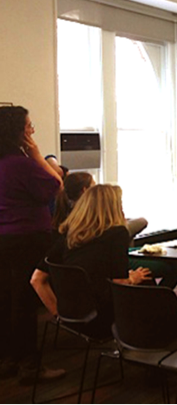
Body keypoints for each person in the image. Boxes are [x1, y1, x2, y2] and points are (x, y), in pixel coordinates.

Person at [51, 173, 177, 315]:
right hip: (108, 289)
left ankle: (166, 302)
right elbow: (117, 274)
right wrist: (130, 278)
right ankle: (162, 302)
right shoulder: (111, 232)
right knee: (175, 264)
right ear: (85, 192)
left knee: (165, 256)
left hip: (86, 296)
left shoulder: (72, 224)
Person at [31, 184, 153, 341]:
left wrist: (58, 315)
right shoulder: (117, 234)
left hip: (74, 316)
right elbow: (120, 282)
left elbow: (36, 280)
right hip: (102, 319)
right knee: (146, 279)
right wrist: (132, 278)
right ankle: (151, 341)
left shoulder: (69, 235)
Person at [0, 106, 64, 383]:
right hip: (27, 237)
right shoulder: (22, 164)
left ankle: (7, 361)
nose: (32, 131)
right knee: (24, 303)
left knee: (5, 300)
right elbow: (56, 185)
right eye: (29, 126)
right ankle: (30, 366)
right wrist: (36, 152)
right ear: (18, 132)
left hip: (3, 238)